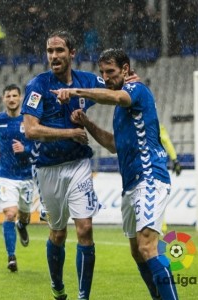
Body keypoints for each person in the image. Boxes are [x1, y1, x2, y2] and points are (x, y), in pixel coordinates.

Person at [51, 48, 179, 300]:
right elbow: (113, 145)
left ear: (125, 69)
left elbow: (118, 97)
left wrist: (76, 91)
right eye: (103, 73)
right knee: (136, 250)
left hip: (149, 176)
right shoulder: (120, 109)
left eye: (110, 72)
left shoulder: (135, 91)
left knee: (147, 245)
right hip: (130, 183)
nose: (106, 77)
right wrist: (87, 123)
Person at [21, 30, 106, 300]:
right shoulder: (38, 85)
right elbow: (31, 130)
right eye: (50, 51)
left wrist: (129, 82)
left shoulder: (87, 80)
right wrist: (70, 132)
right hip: (48, 169)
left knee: (85, 228)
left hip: (79, 163)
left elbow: (114, 88)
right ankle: (58, 286)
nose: (54, 56)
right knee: (57, 233)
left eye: (59, 50)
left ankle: (84, 296)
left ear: (72, 53)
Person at [0, 84, 34, 272]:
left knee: (24, 215)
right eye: (8, 96)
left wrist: (25, 149)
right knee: (9, 214)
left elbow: (37, 144)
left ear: (20, 98)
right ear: (3, 99)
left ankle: (22, 226)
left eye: (15, 95)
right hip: (6, 174)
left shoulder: (29, 119)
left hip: (27, 175)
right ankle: (11, 257)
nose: (12, 99)